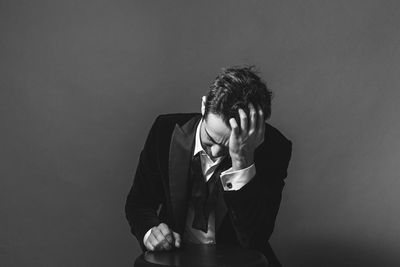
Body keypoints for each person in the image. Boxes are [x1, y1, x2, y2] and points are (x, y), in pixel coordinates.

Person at [125, 66, 292, 266]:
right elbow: (139, 202)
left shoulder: (273, 149)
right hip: (175, 258)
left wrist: (242, 163)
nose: (214, 153)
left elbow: (254, 238)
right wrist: (150, 231)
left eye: (229, 147)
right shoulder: (165, 131)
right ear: (204, 107)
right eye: (210, 140)